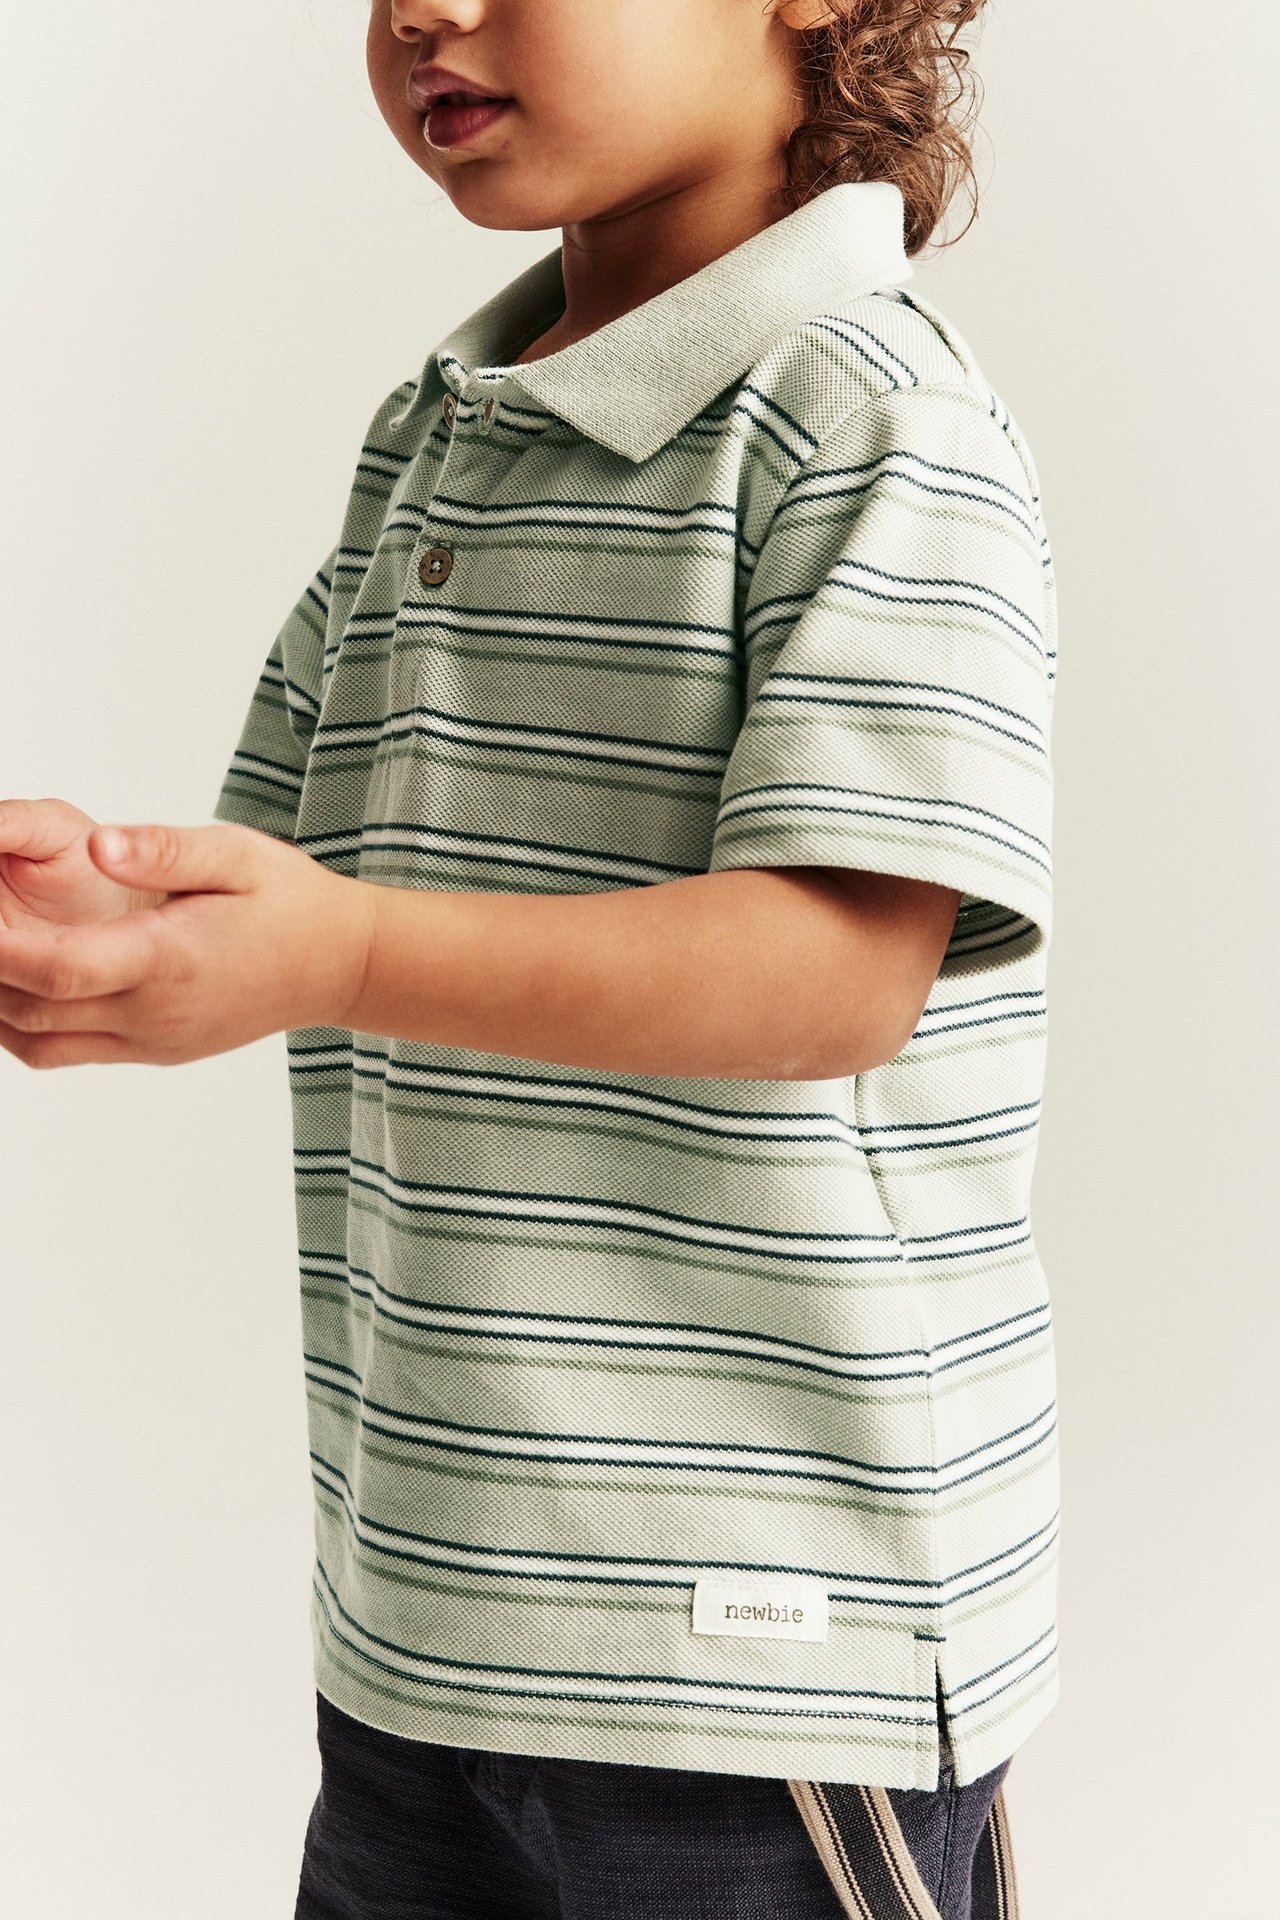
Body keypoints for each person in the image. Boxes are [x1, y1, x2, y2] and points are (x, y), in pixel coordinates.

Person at [0, 1, 1059, 1913]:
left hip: (756, 1656)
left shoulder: (873, 417)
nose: (427, 12)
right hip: (433, 1615)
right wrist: (109, 919)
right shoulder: (444, 429)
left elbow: (833, 973)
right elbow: (299, 891)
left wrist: (332, 950)